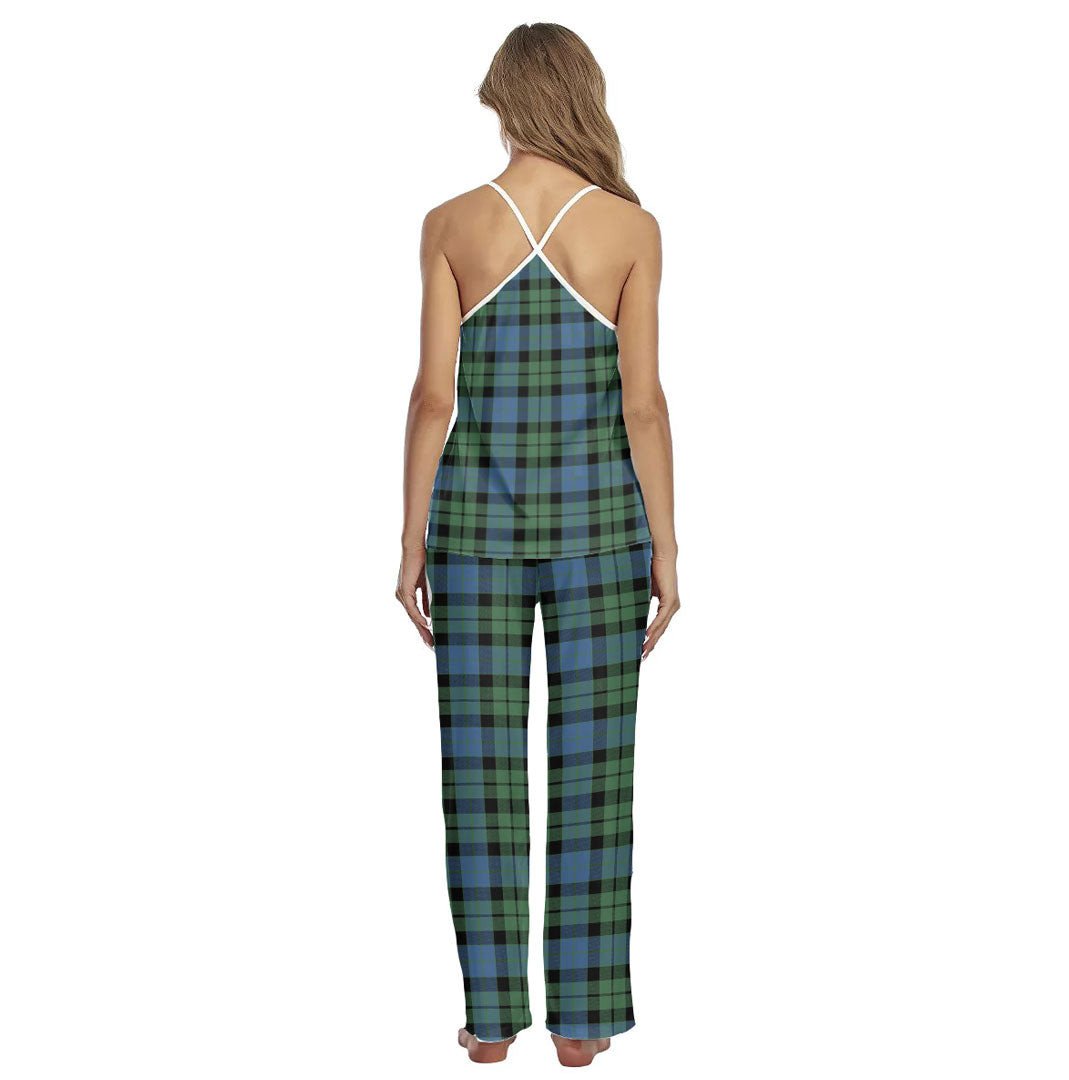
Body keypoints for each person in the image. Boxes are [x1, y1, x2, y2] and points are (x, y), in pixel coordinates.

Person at [396, 22, 680, 1068]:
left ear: (510, 101)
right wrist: (667, 548)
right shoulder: (630, 230)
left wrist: (411, 541)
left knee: (479, 778)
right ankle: (583, 1022)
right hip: (604, 538)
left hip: (471, 537)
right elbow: (643, 406)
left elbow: (433, 399)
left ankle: (489, 1022)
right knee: (596, 775)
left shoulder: (451, 225)